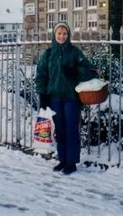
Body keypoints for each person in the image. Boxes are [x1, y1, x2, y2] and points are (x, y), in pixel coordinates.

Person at [35, 22, 95, 175]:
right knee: (60, 130)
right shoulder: (48, 54)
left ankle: (71, 162)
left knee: (71, 130)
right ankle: (62, 159)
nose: (62, 36)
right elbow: (41, 75)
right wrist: (43, 94)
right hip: (54, 98)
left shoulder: (75, 53)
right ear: (54, 35)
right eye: (59, 33)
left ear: (68, 36)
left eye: (64, 34)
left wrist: (74, 71)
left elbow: (89, 72)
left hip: (71, 98)